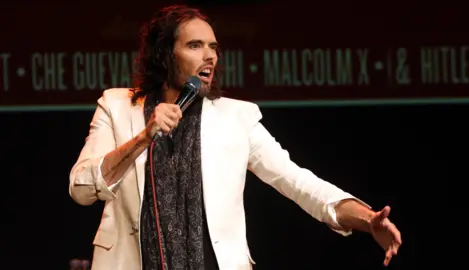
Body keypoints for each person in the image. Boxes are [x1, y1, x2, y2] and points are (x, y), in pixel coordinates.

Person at [69, 5, 402, 270]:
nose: (210, 56)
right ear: (165, 54)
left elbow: (299, 182)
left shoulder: (236, 118)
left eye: (213, 47)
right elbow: (82, 189)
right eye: (195, 46)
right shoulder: (116, 106)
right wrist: (144, 136)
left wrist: (366, 218)